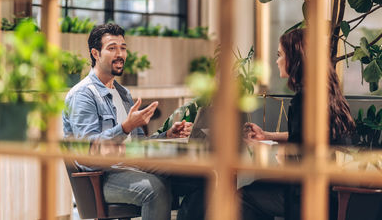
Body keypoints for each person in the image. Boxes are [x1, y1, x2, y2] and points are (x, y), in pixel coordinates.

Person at [63, 23, 204, 220]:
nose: (120, 54)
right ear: (96, 54)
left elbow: (137, 145)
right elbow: (89, 153)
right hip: (104, 176)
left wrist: (167, 135)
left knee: (202, 178)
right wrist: (125, 127)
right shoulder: (83, 95)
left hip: (135, 164)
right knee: (155, 188)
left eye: (123, 47)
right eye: (112, 48)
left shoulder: (123, 93)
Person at [239, 28, 355, 220]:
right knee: (256, 188)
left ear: (296, 59)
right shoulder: (330, 96)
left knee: (243, 196)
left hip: (310, 196)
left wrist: (280, 155)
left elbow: (298, 158)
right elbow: (309, 137)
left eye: (280, 55)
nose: (277, 61)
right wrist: (267, 136)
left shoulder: (304, 100)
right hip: (334, 192)